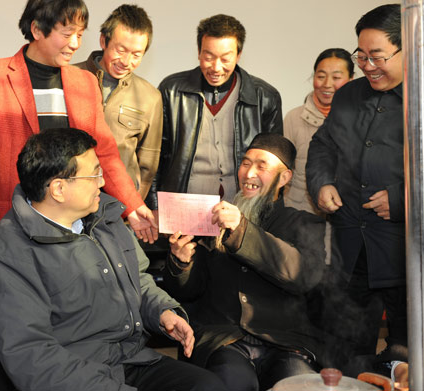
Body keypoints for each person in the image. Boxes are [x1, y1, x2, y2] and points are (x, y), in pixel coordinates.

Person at [0, 127, 227, 391]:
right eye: (94, 174)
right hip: (70, 376)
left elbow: (137, 279)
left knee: (208, 386)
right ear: (58, 189)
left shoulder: (103, 217)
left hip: (127, 359)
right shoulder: (4, 256)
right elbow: (33, 359)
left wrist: (162, 311)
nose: (102, 182)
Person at [0, 0, 157, 253]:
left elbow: (105, 153)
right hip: (8, 227)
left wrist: (133, 206)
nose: (76, 44)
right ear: (37, 30)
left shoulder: (84, 83)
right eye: (68, 33)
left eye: (80, 34)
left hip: (69, 229)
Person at [164, 133, 328, 391]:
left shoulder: (304, 223)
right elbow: (189, 292)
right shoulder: (213, 221)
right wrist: (181, 263)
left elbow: (302, 275)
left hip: (286, 342)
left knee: (297, 385)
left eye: (262, 166)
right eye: (245, 163)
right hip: (225, 340)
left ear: (284, 178)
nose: (249, 172)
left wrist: (241, 229)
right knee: (232, 382)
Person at [306, 3, 407, 369]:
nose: (366, 65)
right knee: (346, 354)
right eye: (360, 55)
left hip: (403, 252)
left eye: (376, 57)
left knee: (404, 357)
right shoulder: (350, 95)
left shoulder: (421, 98)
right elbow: (323, 145)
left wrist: (402, 199)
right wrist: (322, 183)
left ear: (407, 47)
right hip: (352, 248)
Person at [146, 14, 283, 210]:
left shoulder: (265, 96)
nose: (216, 68)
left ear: (239, 54)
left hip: (241, 207)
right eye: (208, 57)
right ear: (199, 53)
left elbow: (274, 167)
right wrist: (155, 207)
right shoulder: (172, 90)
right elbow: (155, 157)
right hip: (183, 206)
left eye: (225, 59)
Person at [76, 4, 162, 201]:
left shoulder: (150, 97)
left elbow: (147, 167)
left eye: (136, 54)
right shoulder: (69, 77)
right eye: (120, 50)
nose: (126, 61)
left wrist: (132, 205)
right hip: (68, 202)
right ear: (103, 41)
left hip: (119, 208)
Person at [284, 48, 354, 263]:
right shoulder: (294, 118)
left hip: (345, 221)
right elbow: (282, 173)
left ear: (351, 80)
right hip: (301, 217)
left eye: (336, 77)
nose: (326, 84)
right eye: (321, 76)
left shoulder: (359, 120)